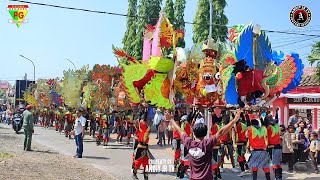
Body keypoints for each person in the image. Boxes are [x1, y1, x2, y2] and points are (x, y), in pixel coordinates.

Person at [171, 109, 241, 180]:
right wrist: (234, 120)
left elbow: (180, 131)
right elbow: (221, 132)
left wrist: (171, 120)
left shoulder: (189, 143)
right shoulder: (207, 143)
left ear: (194, 134)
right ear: (205, 134)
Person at [247, 114, 271, 180]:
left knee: (254, 168)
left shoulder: (251, 130)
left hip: (255, 152)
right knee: (266, 167)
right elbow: (263, 124)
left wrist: (247, 115)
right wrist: (260, 117)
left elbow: (248, 124)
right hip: (264, 151)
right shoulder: (263, 130)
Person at [264, 110, 282, 180]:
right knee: (278, 163)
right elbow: (276, 120)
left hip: (272, 147)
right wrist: (276, 113)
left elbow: (265, 122)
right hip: (278, 147)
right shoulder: (277, 127)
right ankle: (279, 177)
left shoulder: (269, 128)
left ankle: (277, 177)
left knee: (274, 163)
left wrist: (265, 114)